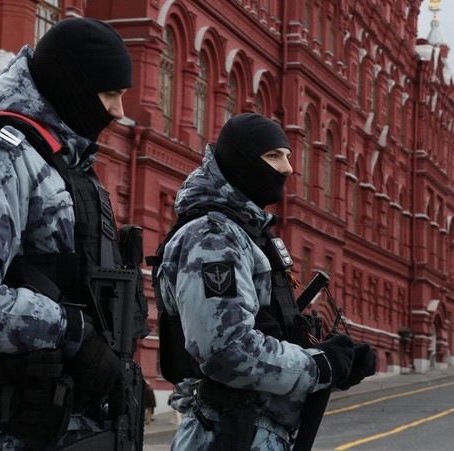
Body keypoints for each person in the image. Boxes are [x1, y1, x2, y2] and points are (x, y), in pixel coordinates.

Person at [0, 17, 135, 450]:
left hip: (79, 426)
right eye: (109, 94)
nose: (118, 111)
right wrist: (73, 332)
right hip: (15, 432)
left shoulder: (70, 170)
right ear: (72, 84)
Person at [155, 113, 377, 450]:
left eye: (288, 156)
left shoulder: (249, 237)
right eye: (274, 156)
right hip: (225, 433)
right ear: (241, 160)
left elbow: (270, 340)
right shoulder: (212, 238)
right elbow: (227, 351)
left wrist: (339, 365)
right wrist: (320, 364)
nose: (287, 168)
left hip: (252, 432)